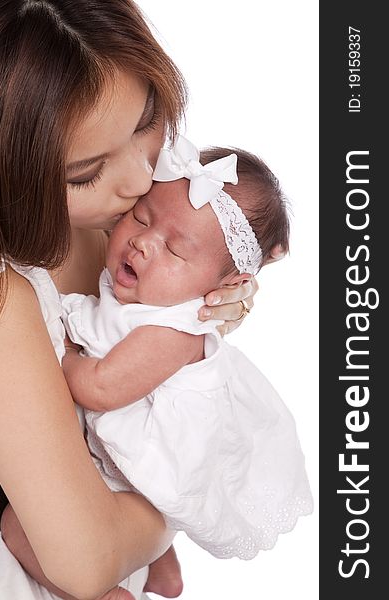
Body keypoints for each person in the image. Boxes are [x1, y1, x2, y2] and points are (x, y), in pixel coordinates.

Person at [0, 2, 259, 599]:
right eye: (85, 172)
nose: (137, 181)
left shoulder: (108, 225)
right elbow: (86, 558)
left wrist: (190, 304)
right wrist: (187, 495)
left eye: (146, 121)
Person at [58, 135, 313, 562]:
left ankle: (103, 586)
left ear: (222, 287)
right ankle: (157, 565)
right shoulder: (138, 287)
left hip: (147, 466)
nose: (143, 242)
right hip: (106, 451)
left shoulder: (174, 329)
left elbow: (102, 389)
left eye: (175, 249)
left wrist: (63, 355)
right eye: (140, 218)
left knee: (29, 530)